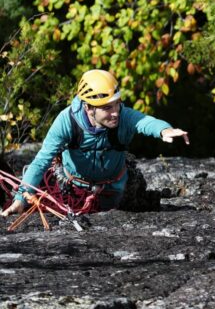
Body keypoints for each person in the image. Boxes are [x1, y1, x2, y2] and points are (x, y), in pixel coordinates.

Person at [1, 69, 189, 216]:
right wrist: (20, 200)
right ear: (88, 108)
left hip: (116, 189)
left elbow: (144, 122)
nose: (115, 112)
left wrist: (165, 130)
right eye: (107, 107)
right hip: (73, 190)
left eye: (117, 103)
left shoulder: (122, 117)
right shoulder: (67, 122)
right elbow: (42, 160)